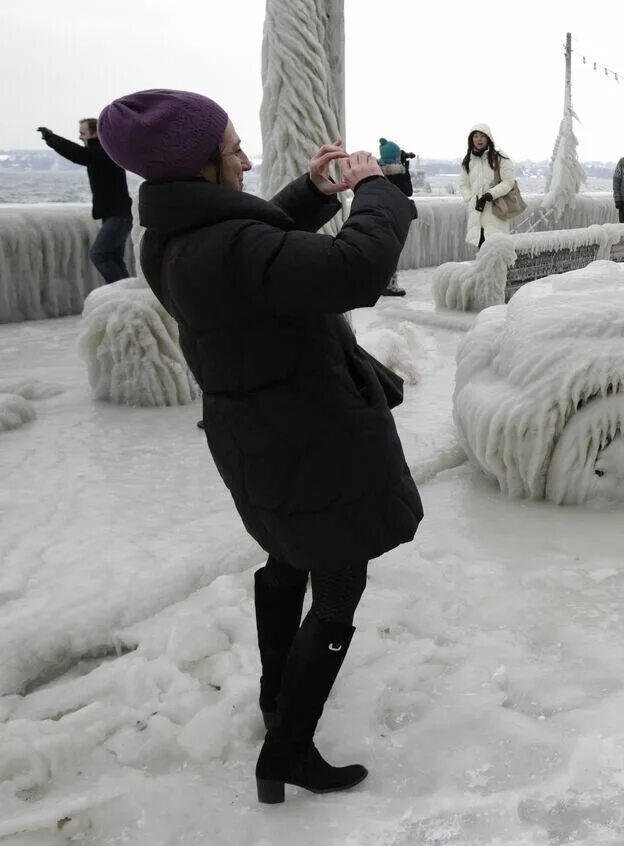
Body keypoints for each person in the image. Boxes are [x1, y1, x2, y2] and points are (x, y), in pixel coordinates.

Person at [97, 89, 422, 802]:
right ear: (200, 166)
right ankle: (288, 749)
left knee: (287, 556)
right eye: (233, 150)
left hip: (260, 440)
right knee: (339, 583)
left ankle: (279, 698)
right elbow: (353, 271)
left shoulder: (172, 236)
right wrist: (376, 190)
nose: (246, 160)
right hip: (310, 437)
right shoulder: (229, 246)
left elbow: (259, 246)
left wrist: (313, 191)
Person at [37, 118, 133, 283]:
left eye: (83, 133)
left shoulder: (104, 152)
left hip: (119, 216)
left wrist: (51, 138)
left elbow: (77, 154)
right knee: (113, 258)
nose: (80, 137)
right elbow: (81, 154)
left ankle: (122, 293)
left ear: (95, 133)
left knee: (100, 254)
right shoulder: (101, 152)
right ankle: (123, 293)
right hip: (115, 215)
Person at [460, 123, 516, 248]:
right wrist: (470, 199)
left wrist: (491, 194)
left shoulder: (500, 158)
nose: (478, 139)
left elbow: (509, 182)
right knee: (482, 249)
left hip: (495, 209)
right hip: (476, 211)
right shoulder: (468, 160)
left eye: (482, 136)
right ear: (471, 140)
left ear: (488, 138)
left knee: (496, 247)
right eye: (475, 136)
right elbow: (463, 184)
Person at [376, 137, 417, 297]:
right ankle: (390, 285)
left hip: (377, 213)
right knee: (392, 251)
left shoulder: (376, 170)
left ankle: (377, 283)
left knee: (379, 250)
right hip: (395, 215)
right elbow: (407, 191)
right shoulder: (400, 172)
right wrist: (405, 170)